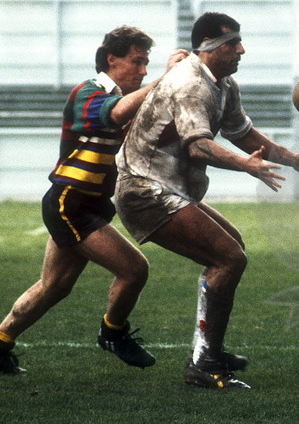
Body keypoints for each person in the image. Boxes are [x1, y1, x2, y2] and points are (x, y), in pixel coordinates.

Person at [114, 12, 299, 389]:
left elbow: (243, 133)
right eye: (233, 43)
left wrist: (293, 159)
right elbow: (198, 147)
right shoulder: (190, 82)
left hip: (166, 189)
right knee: (228, 258)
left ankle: (207, 349)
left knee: (233, 250)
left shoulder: (223, 84)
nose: (241, 49)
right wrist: (246, 166)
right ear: (209, 47)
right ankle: (205, 362)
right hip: (145, 191)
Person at [0, 26, 188, 375]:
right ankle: (112, 332)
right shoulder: (90, 91)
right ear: (111, 59)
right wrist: (165, 79)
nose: (143, 70)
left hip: (92, 205)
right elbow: (115, 114)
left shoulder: (130, 100)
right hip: (69, 203)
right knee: (134, 269)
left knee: (53, 287)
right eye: (136, 61)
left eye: (146, 63)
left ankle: (1, 342)